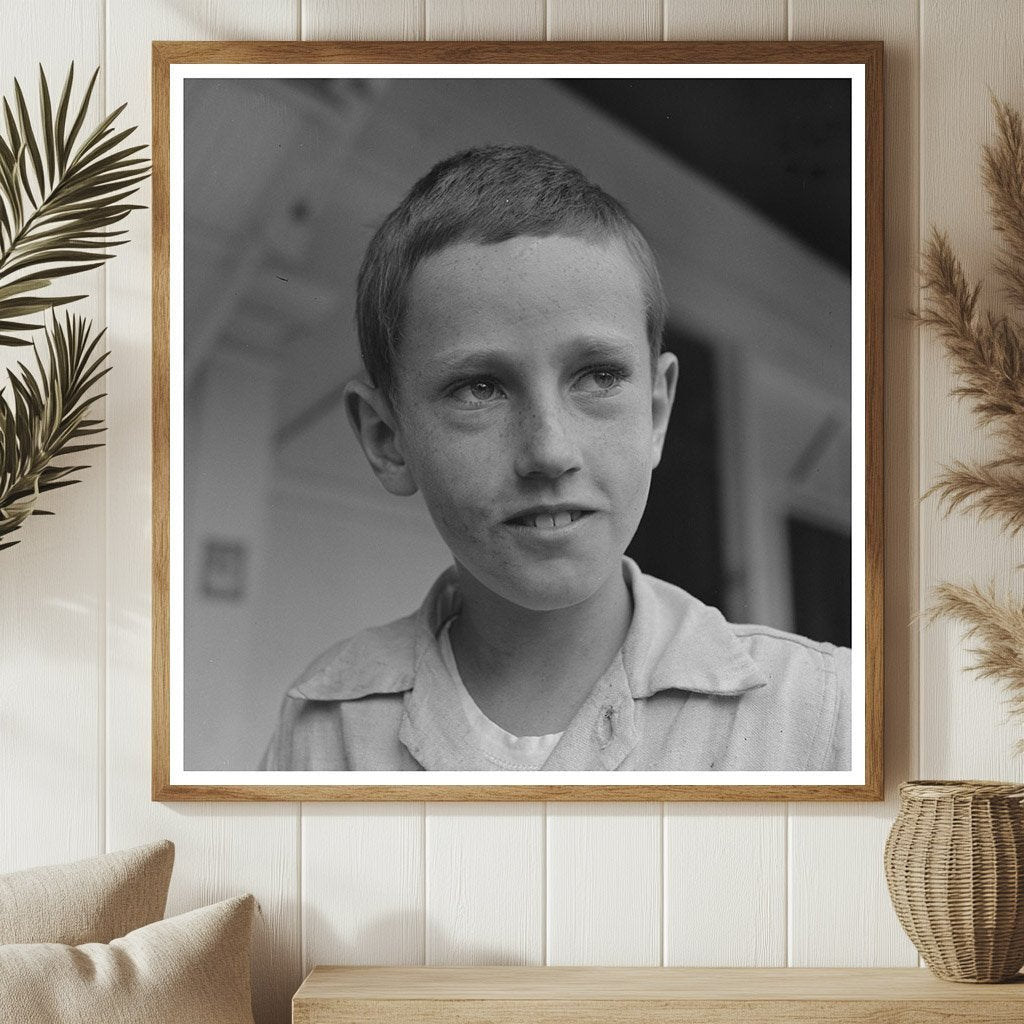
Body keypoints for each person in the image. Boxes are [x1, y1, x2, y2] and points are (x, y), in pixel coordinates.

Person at [261, 144, 851, 772]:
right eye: (479, 388)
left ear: (655, 412)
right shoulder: (326, 729)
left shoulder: (824, 713)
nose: (549, 451)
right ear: (387, 438)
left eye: (598, 376)